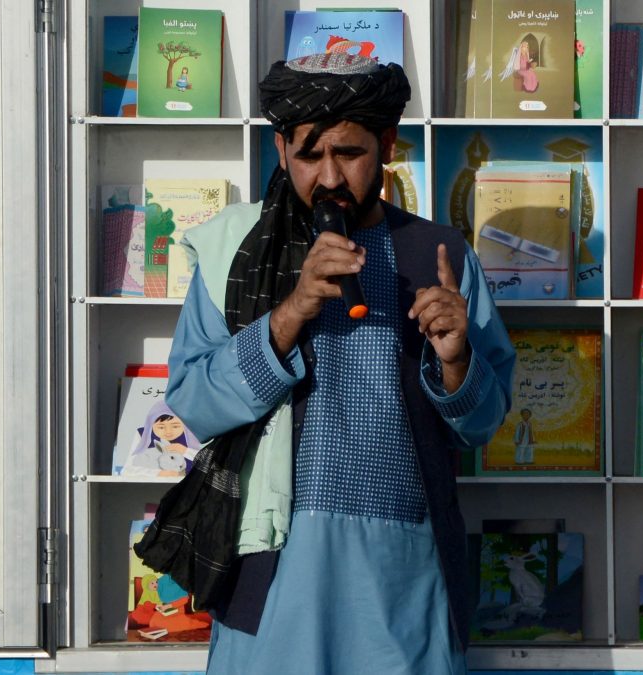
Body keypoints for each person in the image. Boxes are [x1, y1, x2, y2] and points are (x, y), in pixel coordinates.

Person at [163, 53, 515, 674]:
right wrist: (290, 311)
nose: (329, 177)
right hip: (271, 578)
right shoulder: (232, 251)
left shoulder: (439, 253)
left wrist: (457, 360)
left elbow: (483, 424)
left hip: (403, 578)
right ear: (281, 150)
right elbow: (193, 399)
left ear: (386, 145)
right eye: (309, 156)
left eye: (349, 154)